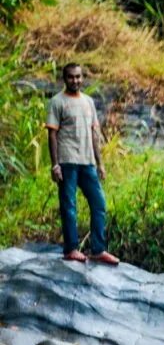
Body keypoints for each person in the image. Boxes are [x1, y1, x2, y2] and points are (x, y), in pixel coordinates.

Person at [46, 63, 119, 265]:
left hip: (87, 162)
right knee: (69, 206)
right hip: (67, 160)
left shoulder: (88, 102)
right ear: (64, 78)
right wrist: (55, 165)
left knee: (99, 203)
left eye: (78, 77)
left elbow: (94, 134)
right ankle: (71, 249)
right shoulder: (57, 102)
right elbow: (52, 134)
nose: (75, 81)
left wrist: (100, 163)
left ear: (82, 78)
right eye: (71, 77)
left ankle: (98, 249)